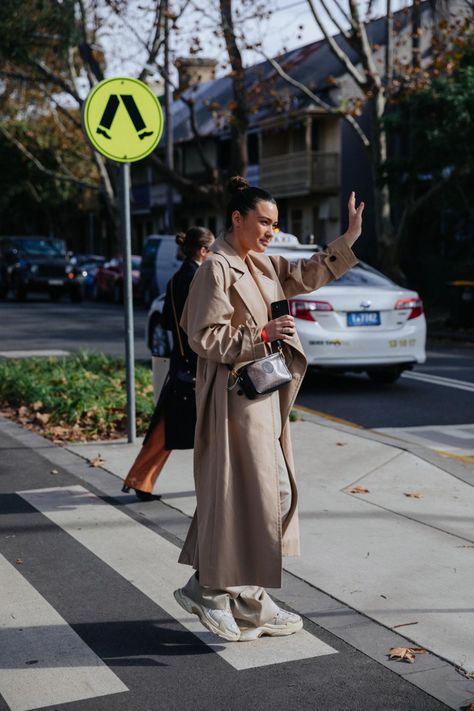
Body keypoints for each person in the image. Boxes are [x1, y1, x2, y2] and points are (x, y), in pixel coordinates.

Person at [173, 177, 364, 642]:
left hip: (262, 397)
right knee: (242, 497)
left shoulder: (259, 262)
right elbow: (204, 337)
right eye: (264, 222)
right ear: (237, 218)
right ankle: (220, 591)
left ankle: (236, 593)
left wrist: (349, 239)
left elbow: (307, 272)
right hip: (231, 400)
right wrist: (260, 336)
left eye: (276, 225)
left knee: (261, 496)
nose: (271, 232)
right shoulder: (215, 268)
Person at [121, 226, 215, 501]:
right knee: (214, 428)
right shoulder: (200, 278)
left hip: (181, 361)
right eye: (212, 250)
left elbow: (165, 322)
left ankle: (141, 480)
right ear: (202, 251)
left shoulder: (176, 279)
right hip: (198, 364)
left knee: (166, 426)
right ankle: (142, 480)